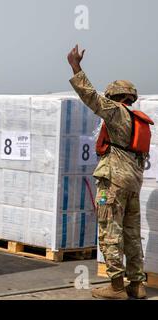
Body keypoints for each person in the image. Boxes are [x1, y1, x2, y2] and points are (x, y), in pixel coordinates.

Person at [67, 45, 153, 300]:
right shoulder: (139, 119)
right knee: (131, 233)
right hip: (133, 183)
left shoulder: (116, 112)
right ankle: (137, 284)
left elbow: (91, 97)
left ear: (115, 96)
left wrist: (75, 67)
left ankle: (116, 286)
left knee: (109, 230)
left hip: (114, 180)